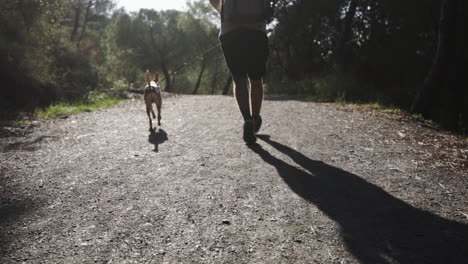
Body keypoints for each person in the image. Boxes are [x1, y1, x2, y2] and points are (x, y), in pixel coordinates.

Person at [209, 0, 270, 144]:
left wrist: (223, 11)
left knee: (239, 79)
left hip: (230, 32)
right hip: (257, 30)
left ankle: (247, 119)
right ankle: (255, 118)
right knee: (256, 79)